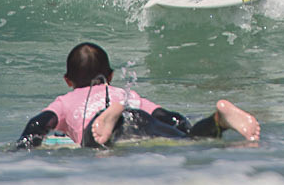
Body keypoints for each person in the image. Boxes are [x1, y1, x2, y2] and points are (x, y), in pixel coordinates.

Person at [16, 42, 260, 149]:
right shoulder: (122, 93)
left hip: (103, 126)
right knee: (190, 138)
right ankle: (219, 120)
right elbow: (169, 117)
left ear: (68, 81)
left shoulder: (66, 102)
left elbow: (40, 123)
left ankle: (106, 119)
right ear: (109, 76)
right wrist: (182, 124)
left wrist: (24, 145)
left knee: (93, 144)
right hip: (140, 118)